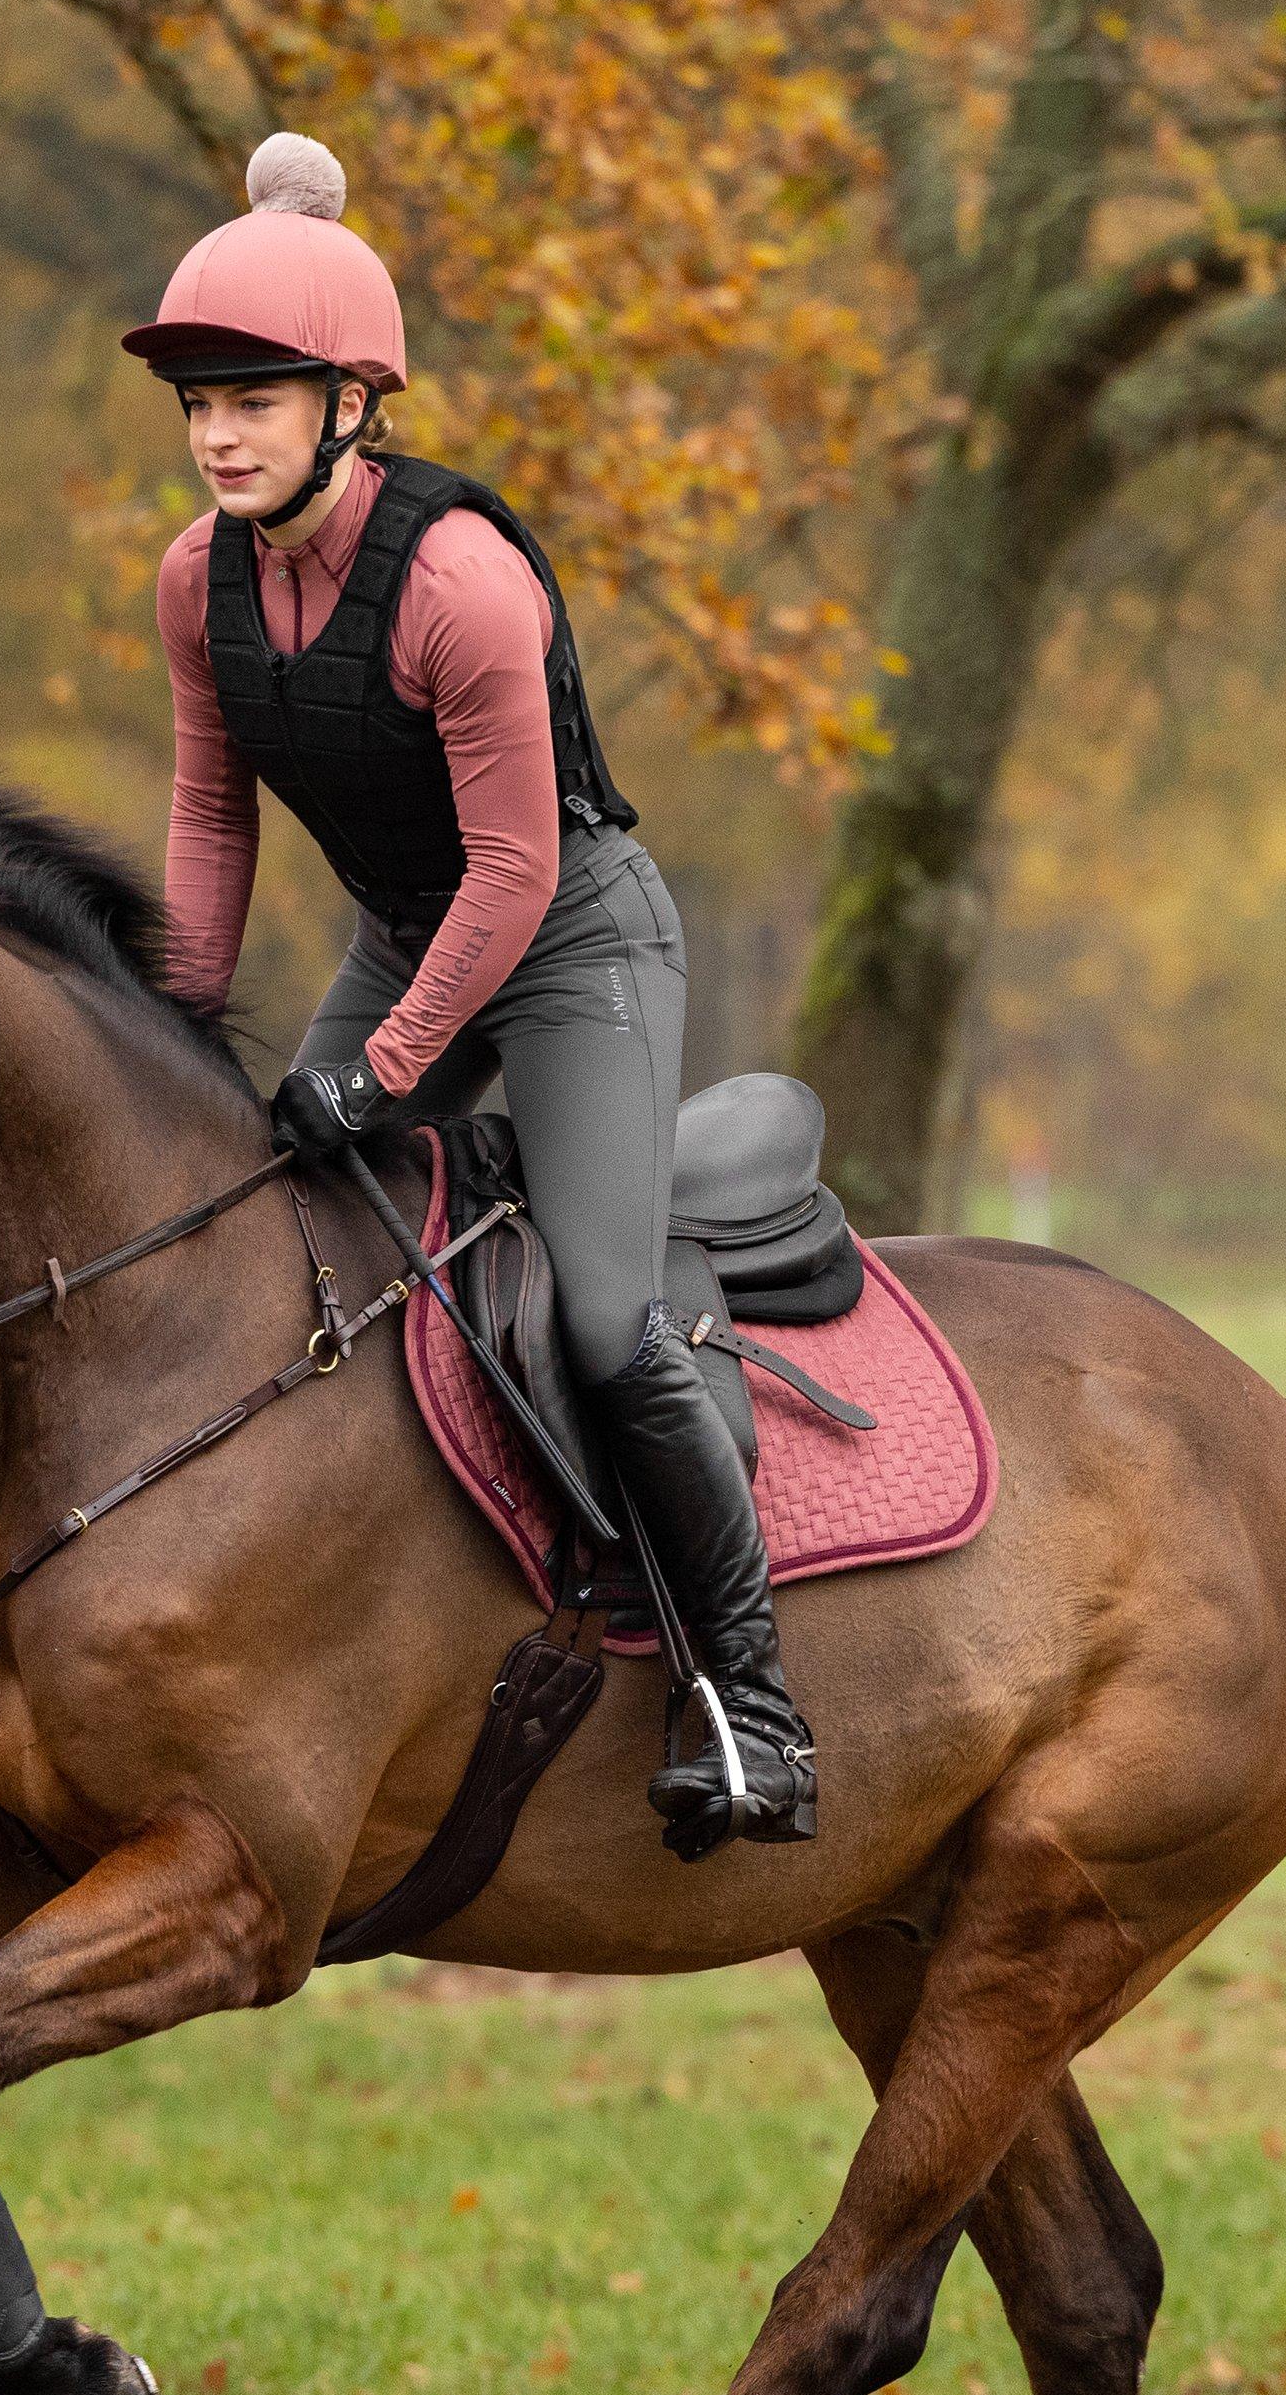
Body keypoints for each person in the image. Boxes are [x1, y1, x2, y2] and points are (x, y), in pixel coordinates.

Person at [132, 133, 816, 1855]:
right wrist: (174, 1033)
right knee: (250, 1224)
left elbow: (513, 871)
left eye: (255, 398)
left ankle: (751, 1699)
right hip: (405, 934)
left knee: (600, 1319)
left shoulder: (459, 581)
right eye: (200, 402)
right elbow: (211, 820)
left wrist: (379, 1073)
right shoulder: (195, 581)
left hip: (576, 944)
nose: (218, 433)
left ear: (353, 404)